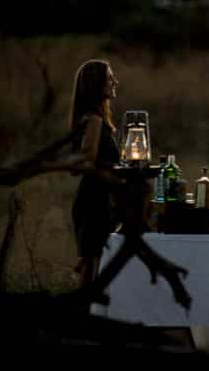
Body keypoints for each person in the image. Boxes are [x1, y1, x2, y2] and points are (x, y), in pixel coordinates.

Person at [69, 59, 120, 289]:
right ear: (96, 84)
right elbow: (82, 164)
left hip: (97, 200)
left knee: (93, 268)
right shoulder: (94, 120)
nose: (114, 81)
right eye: (110, 78)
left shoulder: (93, 118)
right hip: (94, 202)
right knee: (91, 271)